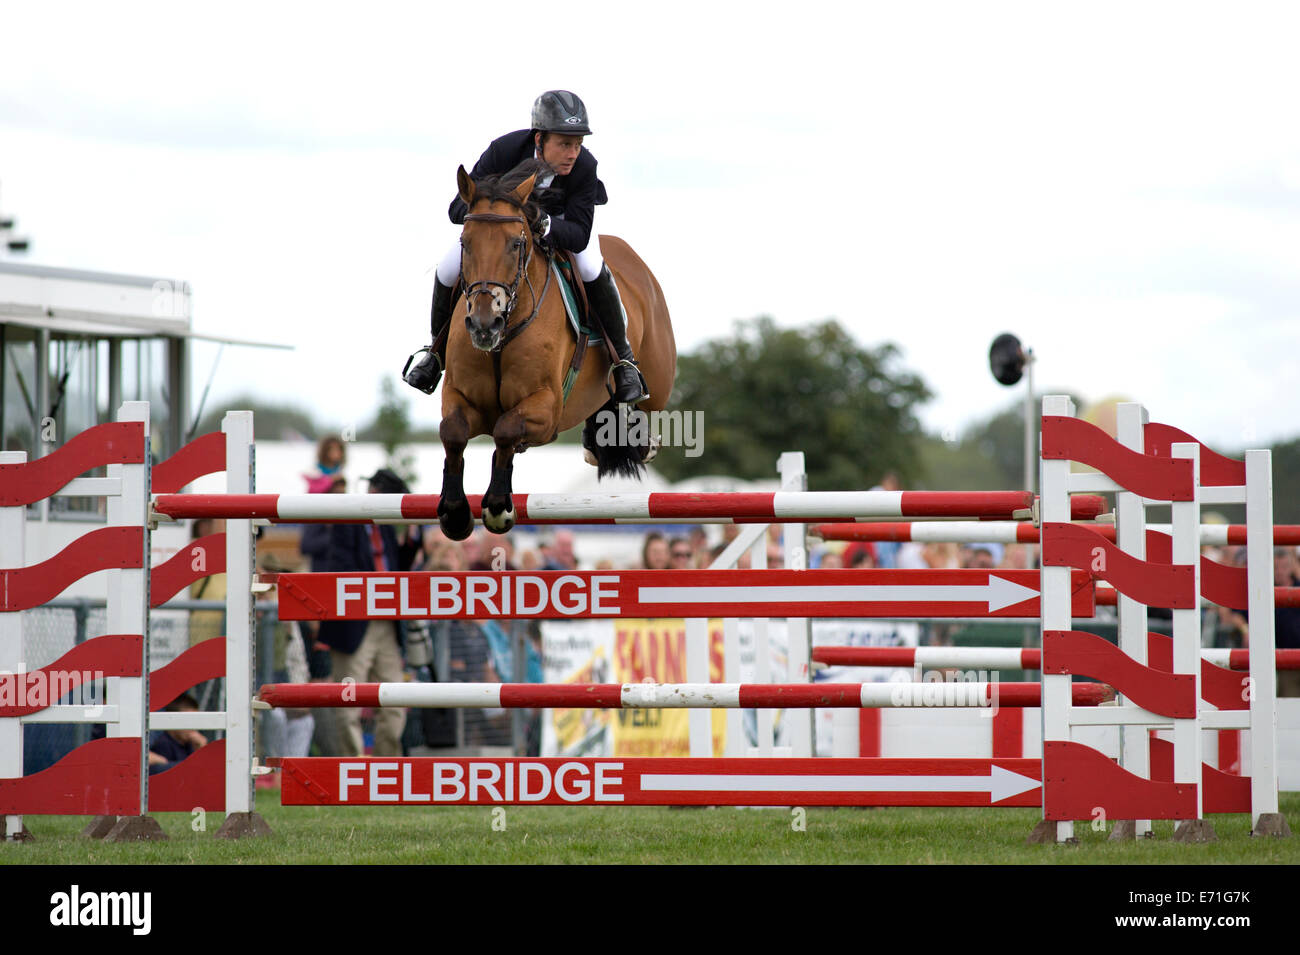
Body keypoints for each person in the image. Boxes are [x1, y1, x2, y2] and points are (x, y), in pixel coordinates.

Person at [404, 90, 647, 405]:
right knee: (448, 267)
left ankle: (623, 360)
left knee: (589, 266)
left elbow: (579, 234)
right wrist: (499, 215)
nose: (572, 153)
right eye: (564, 143)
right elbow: (456, 210)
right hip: (500, 228)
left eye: (577, 144)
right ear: (539, 139)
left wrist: (543, 224)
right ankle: (435, 354)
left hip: (563, 224)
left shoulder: (585, 167)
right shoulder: (503, 151)